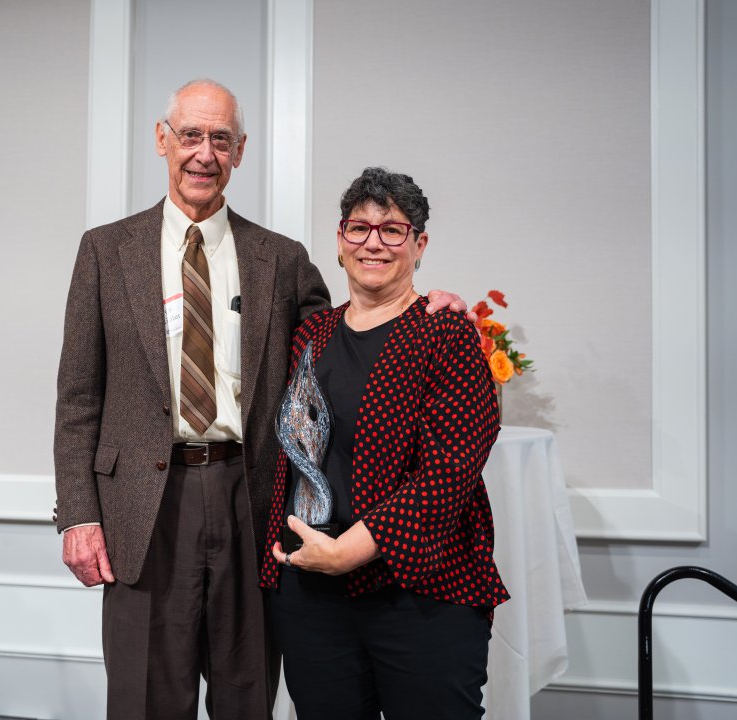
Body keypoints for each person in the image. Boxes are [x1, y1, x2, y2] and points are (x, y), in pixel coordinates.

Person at [54, 80, 468, 720]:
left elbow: (347, 330)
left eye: (220, 139)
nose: (203, 153)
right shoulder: (106, 251)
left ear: (240, 151)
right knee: (144, 697)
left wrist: (427, 304)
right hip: (142, 505)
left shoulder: (280, 257)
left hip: (251, 496)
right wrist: (79, 515)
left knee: (246, 692)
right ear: (162, 140)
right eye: (190, 135)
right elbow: (78, 396)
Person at [261, 167, 510, 720]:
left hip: (420, 592)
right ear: (340, 241)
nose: (373, 242)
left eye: (393, 229)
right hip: (312, 597)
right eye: (359, 228)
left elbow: (451, 471)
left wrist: (347, 552)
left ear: (419, 245)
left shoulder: (447, 332)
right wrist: (312, 558)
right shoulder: (312, 333)